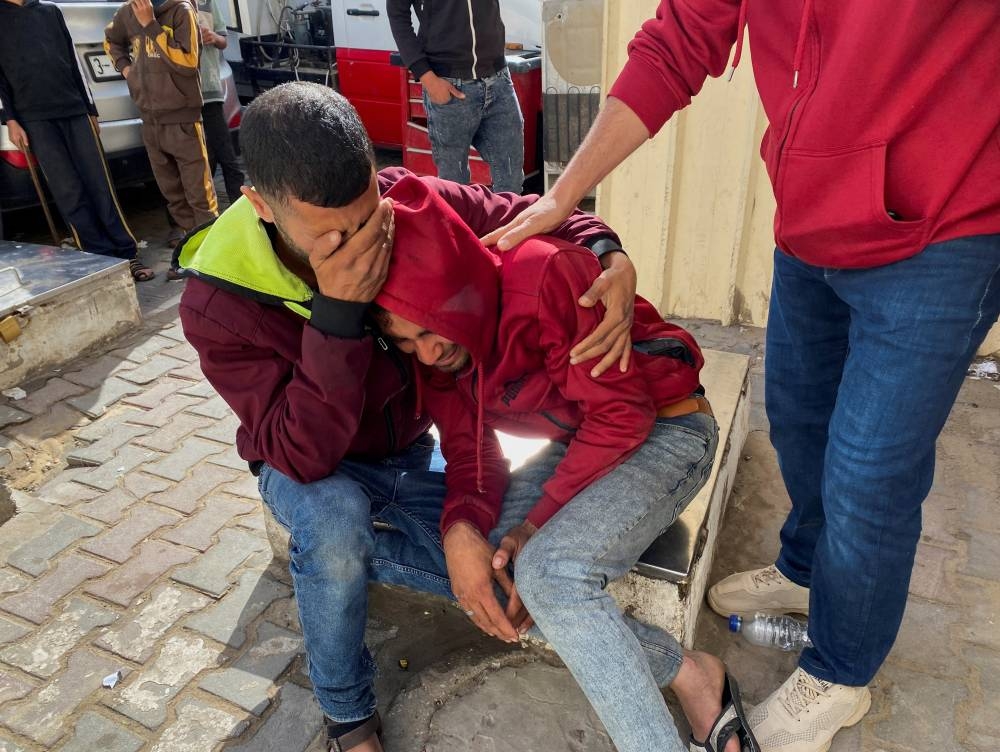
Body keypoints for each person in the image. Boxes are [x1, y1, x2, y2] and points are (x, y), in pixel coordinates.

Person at [482, 3, 1000, 751]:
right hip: (813, 216)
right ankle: (807, 566)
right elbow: (678, 40)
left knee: (869, 473)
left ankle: (841, 673)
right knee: (796, 418)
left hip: (947, 225)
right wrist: (565, 198)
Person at [176, 82, 640, 752]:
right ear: (261, 207)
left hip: (410, 451)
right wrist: (336, 316)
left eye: (369, 219)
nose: (362, 244)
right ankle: (347, 715)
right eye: (332, 235)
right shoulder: (215, 304)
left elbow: (529, 214)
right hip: (306, 466)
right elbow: (297, 453)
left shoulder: (402, 201)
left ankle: (349, 565)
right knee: (335, 525)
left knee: (501, 568)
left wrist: (606, 252)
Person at [370, 173, 758, 752]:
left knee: (549, 575)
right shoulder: (435, 359)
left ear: (456, 285)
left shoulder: (543, 275)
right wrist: (460, 527)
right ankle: (690, 673)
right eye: (405, 343)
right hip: (578, 443)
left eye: (431, 329)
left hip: (668, 427)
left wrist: (536, 523)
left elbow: (623, 416)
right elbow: (471, 447)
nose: (429, 353)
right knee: (502, 581)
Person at [0, 0, 153, 281]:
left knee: (99, 183)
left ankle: (127, 254)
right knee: (68, 190)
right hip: (34, 118)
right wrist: (10, 119)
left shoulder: (50, 11)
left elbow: (72, 61)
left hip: (74, 109)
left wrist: (90, 107)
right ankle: (97, 258)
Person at [104, 0, 218, 255]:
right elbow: (111, 40)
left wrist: (151, 26)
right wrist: (127, 70)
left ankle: (214, 257)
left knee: (199, 196)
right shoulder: (126, 12)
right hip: (149, 120)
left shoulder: (181, 11)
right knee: (173, 195)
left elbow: (188, 62)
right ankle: (194, 255)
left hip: (183, 121)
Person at [387, 0, 524, 194]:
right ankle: (460, 225)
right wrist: (426, 76)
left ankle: (509, 224)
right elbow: (396, 13)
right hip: (448, 84)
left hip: (498, 78)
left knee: (511, 180)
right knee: (454, 188)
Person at [194, 0, 243, 205]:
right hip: (180, 96)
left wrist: (213, 37)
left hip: (210, 91)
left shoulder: (207, 3)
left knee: (227, 155)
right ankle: (201, 213)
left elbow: (223, 40)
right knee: (196, 160)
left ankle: (240, 207)